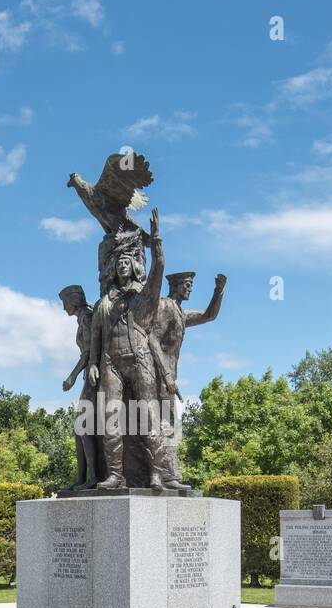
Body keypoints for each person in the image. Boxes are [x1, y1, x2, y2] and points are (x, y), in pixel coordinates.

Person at [87, 210, 167, 490]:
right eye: (118, 262)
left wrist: (156, 239)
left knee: (148, 414)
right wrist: (94, 363)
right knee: (110, 417)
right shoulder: (104, 303)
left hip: (140, 359)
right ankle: (115, 475)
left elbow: (158, 271)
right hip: (110, 360)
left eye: (126, 261)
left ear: (134, 265)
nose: (122, 266)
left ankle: (156, 473)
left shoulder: (144, 296)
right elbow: (97, 334)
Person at [147, 271, 227, 490]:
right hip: (160, 376)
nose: (190, 288)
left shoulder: (180, 313)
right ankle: (166, 476)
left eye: (191, 285)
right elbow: (152, 339)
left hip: (169, 378)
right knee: (165, 424)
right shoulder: (165, 306)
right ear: (175, 285)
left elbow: (209, 316)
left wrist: (218, 291)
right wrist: (166, 375)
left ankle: (168, 475)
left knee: (170, 424)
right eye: (187, 284)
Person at [59, 284, 101, 490]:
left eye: (64, 302)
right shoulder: (84, 316)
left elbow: (89, 351)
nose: (63, 307)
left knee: (82, 425)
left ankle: (92, 477)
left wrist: (72, 376)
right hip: (90, 375)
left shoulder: (87, 316)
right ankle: (82, 477)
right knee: (81, 427)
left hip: (94, 377)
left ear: (73, 300)